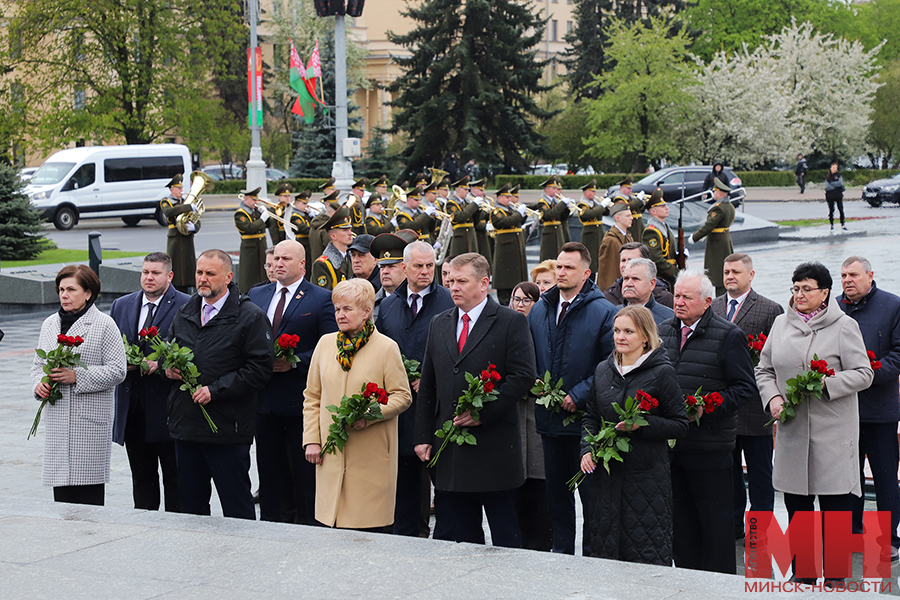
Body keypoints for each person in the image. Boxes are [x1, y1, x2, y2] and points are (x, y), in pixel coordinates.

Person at [757, 262, 873, 586]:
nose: (799, 295)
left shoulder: (844, 326)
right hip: (793, 435)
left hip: (833, 436)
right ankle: (803, 579)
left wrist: (826, 385)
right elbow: (763, 370)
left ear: (824, 293)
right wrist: (773, 399)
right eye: (795, 288)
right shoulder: (780, 324)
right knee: (799, 513)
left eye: (807, 289)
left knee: (836, 516)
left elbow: (864, 373)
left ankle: (836, 583)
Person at [414, 253, 536, 547]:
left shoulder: (510, 322)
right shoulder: (439, 323)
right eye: (451, 280)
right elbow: (429, 384)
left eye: (461, 281)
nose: (453, 287)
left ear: (484, 283)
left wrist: (485, 412)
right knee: (461, 538)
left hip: (493, 449)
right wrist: (422, 436)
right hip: (452, 452)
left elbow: (523, 377)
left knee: (506, 537)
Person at [658, 269, 756, 574]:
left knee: (714, 527)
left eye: (687, 297)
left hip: (710, 448)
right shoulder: (663, 331)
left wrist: (706, 408)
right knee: (680, 524)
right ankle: (688, 581)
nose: (679, 302)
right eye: (676, 295)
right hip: (671, 448)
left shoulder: (728, 335)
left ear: (707, 302)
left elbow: (744, 388)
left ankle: (718, 585)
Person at [165, 249, 274, 519]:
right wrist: (168, 370)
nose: (202, 279)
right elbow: (169, 350)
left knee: (236, 508)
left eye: (210, 274)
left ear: (228, 277)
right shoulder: (186, 310)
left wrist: (215, 390)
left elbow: (259, 369)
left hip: (227, 429)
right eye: (199, 272)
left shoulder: (250, 316)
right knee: (190, 509)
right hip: (187, 427)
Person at [580, 305, 689, 564]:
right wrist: (586, 449)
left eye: (628, 331)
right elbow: (590, 417)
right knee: (606, 551)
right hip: (607, 478)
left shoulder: (662, 372)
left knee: (644, 551)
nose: (620, 337)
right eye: (617, 330)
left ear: (645, 336)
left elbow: (680, 424)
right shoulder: (603, 370)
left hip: (646, 478)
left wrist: (643, 425)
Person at [528, 242, 616, 555]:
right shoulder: (540, 308)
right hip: (549, 421)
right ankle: (561, 552)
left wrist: (578, 395)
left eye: (569, 268)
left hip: (585, 424)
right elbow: (531, 357)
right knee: (557, 496)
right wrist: (537, 385)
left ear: (586, 273)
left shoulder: (603, 311)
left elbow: (610, 365)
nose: (561, 273)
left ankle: (592, 556)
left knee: (591, 498)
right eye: (559, 267)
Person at [303, 279, 412, 530]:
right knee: (331, 530)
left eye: (347, 309)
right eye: (337, 309)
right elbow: (312, 397)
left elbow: (402, 396)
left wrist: (370, 415)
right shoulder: (325, 344)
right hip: (331, 453)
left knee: (368, 531)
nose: (340, 315)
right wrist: (312, 439)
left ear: (366, 312)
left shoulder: (386, 348)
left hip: (370, 456)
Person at [248, 240, 337, 524]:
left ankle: (306, 523)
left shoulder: (321, 298)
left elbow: (330, 346)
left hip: (300, 400)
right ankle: (273, 523)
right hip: (263, 399)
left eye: (286, 259)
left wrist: (294, 361)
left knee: (302, 472)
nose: (278, 264)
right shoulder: (257, 294)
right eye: (275, 259)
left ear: (302, 264)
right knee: (269, 470)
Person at [377, 241, 455, 537]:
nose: (425, 272)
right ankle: (409, 534)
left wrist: (432, 378)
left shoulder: (448, 301)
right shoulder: (389, 305)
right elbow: (382, 348)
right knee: (406, 475)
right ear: (404, 268)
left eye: (430, 266)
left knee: (441, 474)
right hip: (401, 405)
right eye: (419, 266)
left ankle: (445, 536)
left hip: (437, 405)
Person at [32, 265, 126, 506]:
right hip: (58, 422)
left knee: (89, 498)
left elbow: (118, 370)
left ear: (88, 293)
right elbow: (38, 365)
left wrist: (78, 377)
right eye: (61, 289)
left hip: (89, 422)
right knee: (62, 498)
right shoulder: (49, 324)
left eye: (71, 289)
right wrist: (39, 384)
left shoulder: (105, 324)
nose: (64, 294)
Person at [709, 253, 783, 539]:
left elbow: (775, 356)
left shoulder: (769, 309)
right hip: (723, 406)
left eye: (736, 272)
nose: (730, 276)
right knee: (728, 473)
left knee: (760, 474)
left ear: (750, 275)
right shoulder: (713, 306)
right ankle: (733, 526)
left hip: (755, 408)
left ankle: (761, 529)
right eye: (726, 271)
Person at [110, 253, 189, 511]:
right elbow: (111, 347)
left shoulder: (186, 305)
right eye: (145, 272)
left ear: (169, 276)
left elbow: (193, 349)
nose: (149, 278)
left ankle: (177, 530)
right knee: (142, 479)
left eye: (155, 273)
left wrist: (163, 364)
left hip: (168, 409)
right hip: (132, 409)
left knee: (176, 479)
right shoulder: (122, 305)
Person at [837, 256, 900, 560]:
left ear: (870, 275)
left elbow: (899, 355)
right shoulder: (833, 307)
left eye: (853, 275)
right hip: (841, 411)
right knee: (849, 478)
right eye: (843, 275)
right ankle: (851, 533)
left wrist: (866, 377)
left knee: (885, 476)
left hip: (879, 409)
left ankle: (888, 538)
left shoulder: (893, 305)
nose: (847, 280)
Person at [509, 281, 552, 551]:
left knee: (539, 482)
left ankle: (540, 540)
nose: (520, 305)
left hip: (538, 414)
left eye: (527, 300)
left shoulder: (541, 329)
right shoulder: (508, 328)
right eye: (516, 299)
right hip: (514, 413)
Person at [690, 178, 735, 297]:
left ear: (719, 193)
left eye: (715, 191)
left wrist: (695, 237)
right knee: (723, 268)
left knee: (718, 273)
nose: (713, 194)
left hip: (717, 243)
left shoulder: (719, 207)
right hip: (725, 239)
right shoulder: (729, 206)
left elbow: (709, 225)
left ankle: (721, 299)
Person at [603, 242, 675, 308]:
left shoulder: (664, 298)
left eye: (632, 260)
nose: (626, 264)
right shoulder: (610, 296)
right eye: (623, 260)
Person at [490, 183, 527, 307]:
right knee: (505, 277)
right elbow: (505, 222)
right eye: (506, 197)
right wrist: (518, 214)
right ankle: (505, 302)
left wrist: (523, 214)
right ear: (499, 197)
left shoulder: (509, 209)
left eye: (510, 197)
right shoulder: (497, 210)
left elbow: (518, 221)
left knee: (515, 276)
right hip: (505, 249)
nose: (509, 199)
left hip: (514, 247)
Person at [159, 174, 197, 293]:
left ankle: (187, 289)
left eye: (181, 188)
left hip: (187, 239)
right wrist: (187, 206)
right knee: (175, 266)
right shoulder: (166, 201)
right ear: (172, 189)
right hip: (175, 238)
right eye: (178, 188)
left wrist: (194, 227)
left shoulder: (185, 202)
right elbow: (169, 212)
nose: (181, 190)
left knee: (187, 267)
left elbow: (196, 218)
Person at [234, 186, 271, 292]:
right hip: (250, 249)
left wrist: (266, 214)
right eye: (253, 199)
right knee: (249, 275)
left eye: (256, 199)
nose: (256, 202)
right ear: (246, 199)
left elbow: (267, 225)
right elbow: (249, 228)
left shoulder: (255, 211)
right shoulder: (240, 213)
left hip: (261, 247)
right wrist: (262, 219)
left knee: (261, 274)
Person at [642, 188, 679, 290]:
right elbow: (657, 259)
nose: (666, 208)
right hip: (662, 277)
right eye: (662, 206)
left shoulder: (664, 226)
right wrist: (676, 273)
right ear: (653, 211)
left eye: (665, 205)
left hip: (668, 276)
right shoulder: (651, 231)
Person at [619, 258, 675, 326]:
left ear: (652, 284)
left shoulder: (669, 319)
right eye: (626, 278)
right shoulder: (612, 314)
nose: (628, 284)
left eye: (635, 279)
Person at [311, 206, 353, 291]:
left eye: (350, 229)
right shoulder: (322, 264)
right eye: (344, 230)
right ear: (333, 236)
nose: (350, 233)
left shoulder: (351, 257)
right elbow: (324, 296)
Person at [576, 180, 610, 282]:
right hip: (589, 236)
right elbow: (589, 215)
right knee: (590, 261)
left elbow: (606, 213)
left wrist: (604, 205)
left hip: (598, 235)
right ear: (586, 192)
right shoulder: (582, 204)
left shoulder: (595, 203)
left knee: (598, 259)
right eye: (592, 191)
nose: (595, 194)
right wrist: (601, 206)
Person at [596, 202, 634, 290]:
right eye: (628, 216)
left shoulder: (628, 236)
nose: (631, 218)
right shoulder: (611, 240)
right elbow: (609, 270)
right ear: (618, 218)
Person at [537, 176, 571, 261]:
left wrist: (567, 208)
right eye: (553, 188)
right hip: (549, 235)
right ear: (546, 190)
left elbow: (563, 218)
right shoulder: (542, 202)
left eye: (556, 189)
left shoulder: (554, 201)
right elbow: (549, 215)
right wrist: (562, 204)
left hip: (558, 233)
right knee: (549, 259)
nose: (556, 191)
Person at [446, 177, 480, 256]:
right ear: (458, 189)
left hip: (471, 237)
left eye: (468, 190)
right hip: (460, 239)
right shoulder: (451, 203)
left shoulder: (467, 203)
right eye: (465, 189)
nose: (467, 192)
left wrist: (478, 209)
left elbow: (476, 222)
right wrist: (474, 205)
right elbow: (460, 216)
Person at [615, 177, 645, 242]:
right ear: (622, 188)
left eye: (631, 188)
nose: (630, 190)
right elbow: (628, 207)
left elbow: (641, 210)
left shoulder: (631, 198)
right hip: (631, 228)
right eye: (628, 188)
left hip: (639, 228)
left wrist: (643, 202)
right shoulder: (619, 198)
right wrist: (638, 200)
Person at [309, 194, 338, 260]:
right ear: (333, 214)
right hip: (325, 263)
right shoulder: (326, 228)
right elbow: (332, 247)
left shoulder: (315, 224)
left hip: (316, 261)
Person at [290, 190, 314, 261]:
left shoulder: (306, 215)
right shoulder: (295, 217)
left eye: (306, 203)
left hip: (309, 244)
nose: (306, 206)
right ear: (297, 204)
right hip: (302, 244)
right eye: (304, 203)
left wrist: (313, 217)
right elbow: (303, 229)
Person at [825, 162, 846, 231]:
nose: (834, 169)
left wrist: (833, 184)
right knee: (831, 210)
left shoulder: (839, 176)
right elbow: (827, 187)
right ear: (830, 168)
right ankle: (831, 224)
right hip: (830, 195)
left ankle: (842, 224)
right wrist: (835, 185)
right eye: (833, 168)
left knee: (841, 209)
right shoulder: (828, 177)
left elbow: (840, 183)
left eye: (836, 168)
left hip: (838, 195)